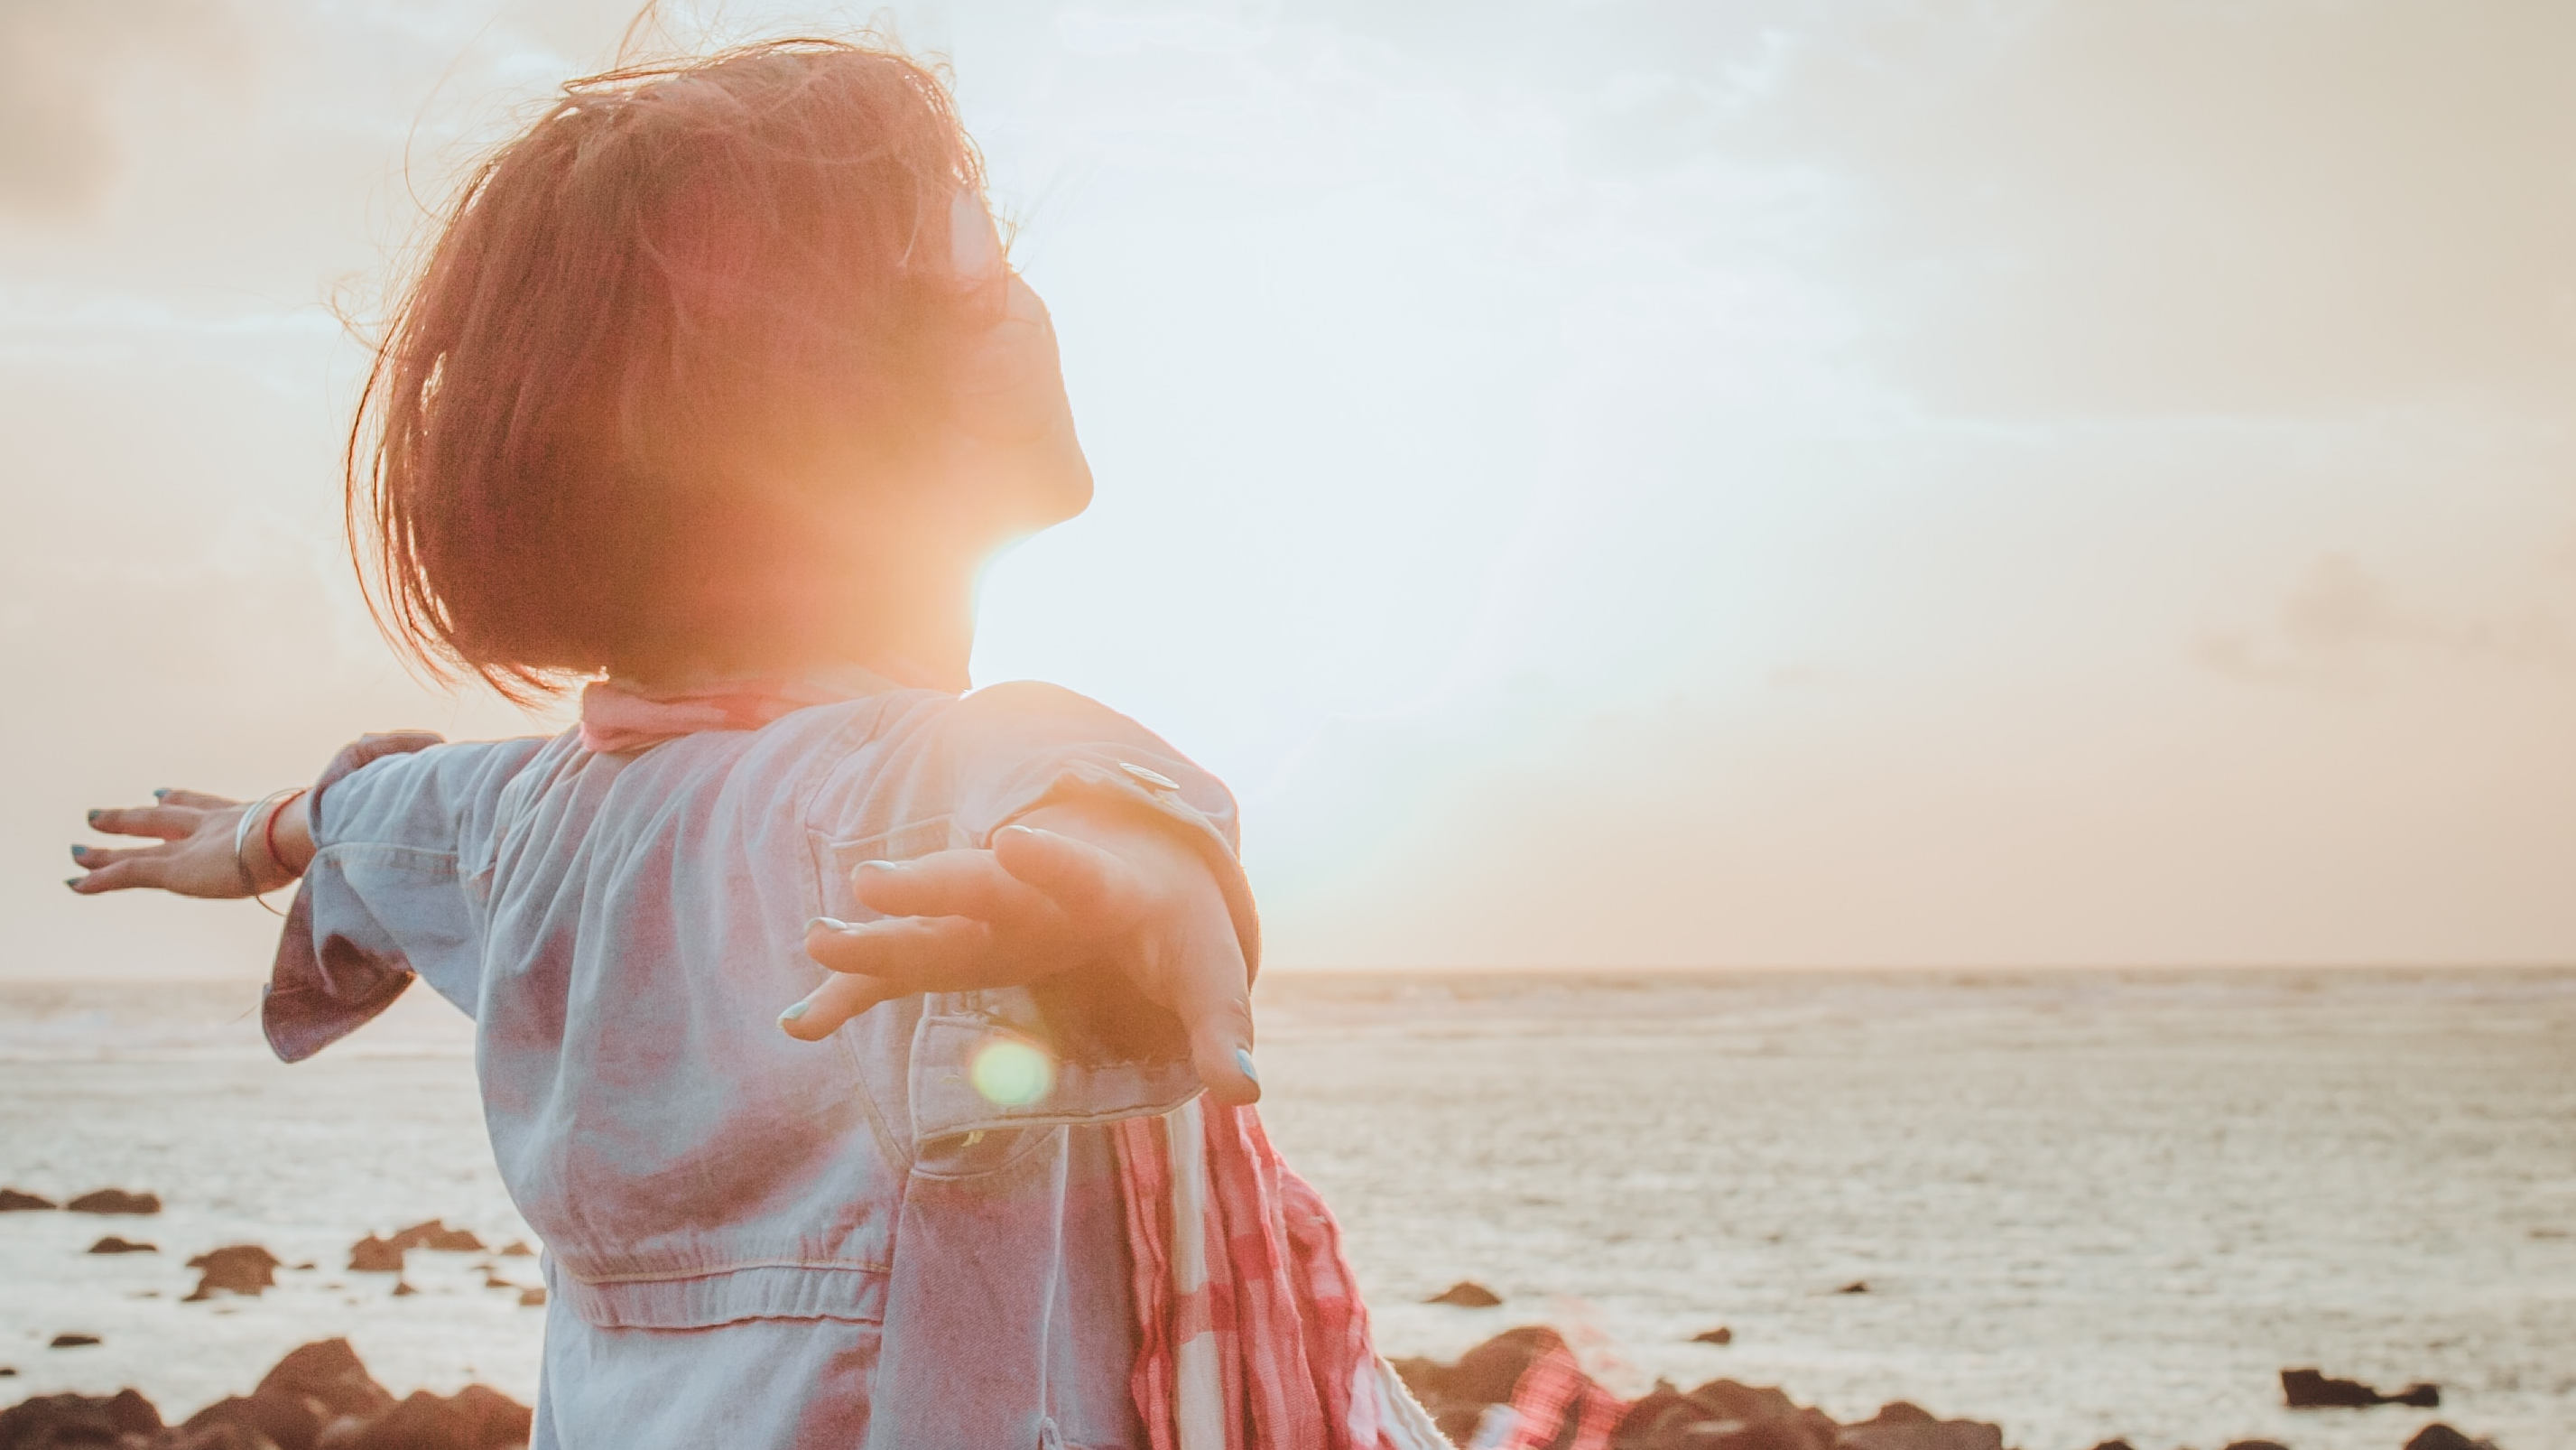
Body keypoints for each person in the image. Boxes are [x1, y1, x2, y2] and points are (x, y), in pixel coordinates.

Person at [65, 38, 1442, 1450]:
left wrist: (255, 836)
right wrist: (1132, 879)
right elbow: (1063, 787)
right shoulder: (902, 787)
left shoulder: (531, 814)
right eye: (976, 270)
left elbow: (376, 818)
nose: (1023, 299)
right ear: (832, 409)